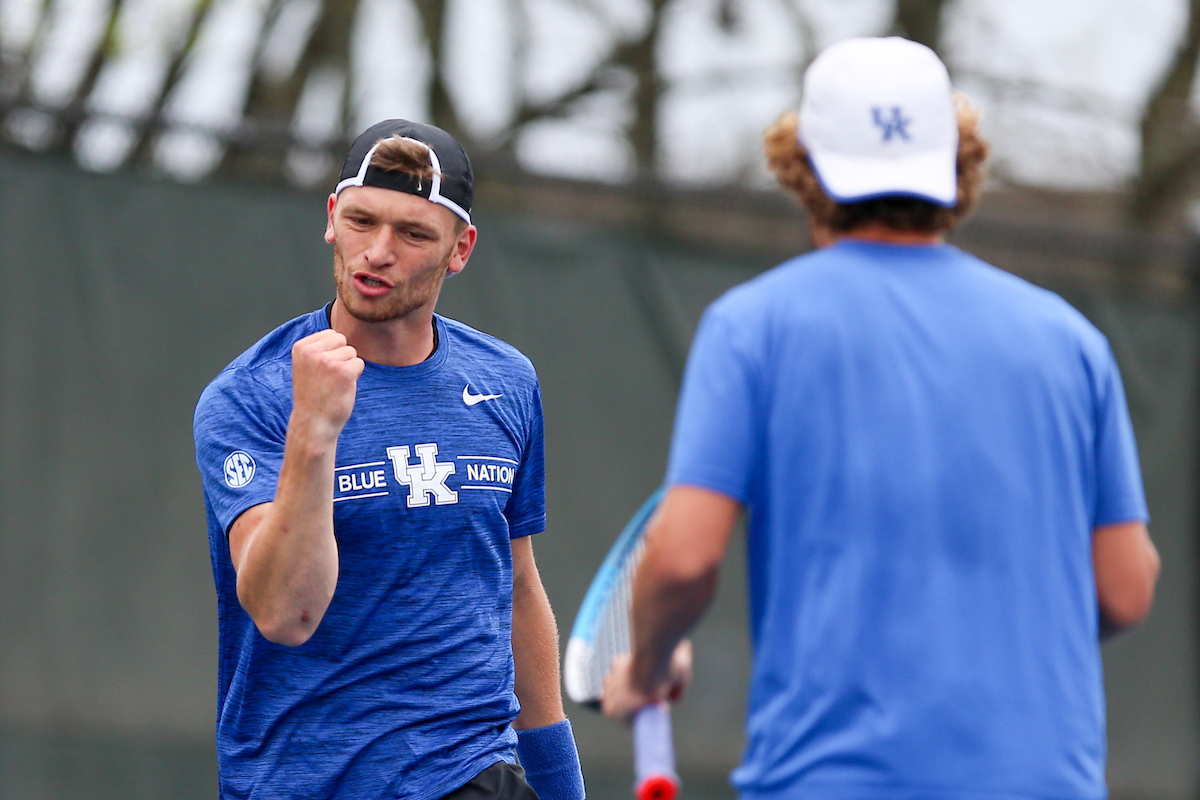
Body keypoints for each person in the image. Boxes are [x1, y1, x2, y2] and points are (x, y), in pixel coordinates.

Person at [601, 37, 1161, 800]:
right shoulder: (1073, 342)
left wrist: (649, 663)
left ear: (802, 164)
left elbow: (684, 558)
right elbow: (1126, 588)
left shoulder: (751, 326)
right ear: (956, 161)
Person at [194, 119, 585, 800]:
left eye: (413, 233)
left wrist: (561, 785)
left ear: (459, 250)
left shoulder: (508, 381)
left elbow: (518, 587)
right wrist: (313, 434)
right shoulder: (250, 396)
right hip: (298, 780)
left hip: (472, 771)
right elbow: (285, 613)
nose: (377, 252)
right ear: (330, 221)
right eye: (361, 221)